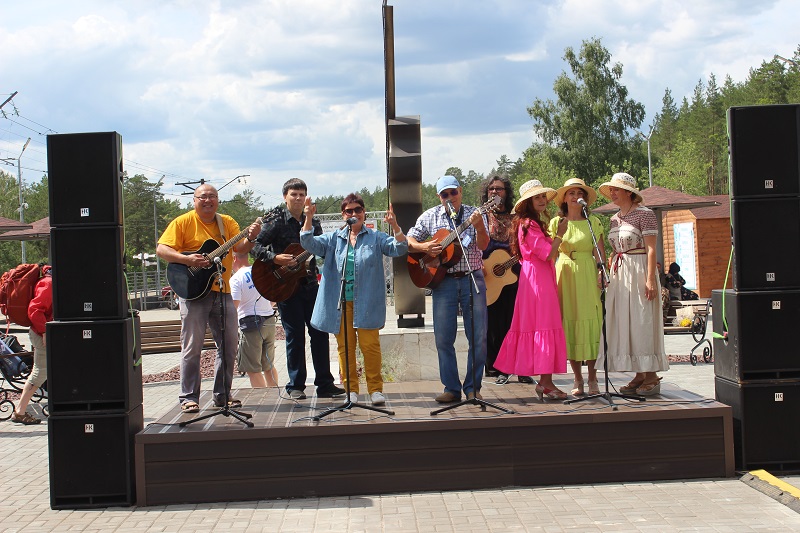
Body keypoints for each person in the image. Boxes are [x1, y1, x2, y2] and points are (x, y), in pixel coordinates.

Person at [156, 184, 262, 413]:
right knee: (192, 346)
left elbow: (240, 248)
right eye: (203, 196)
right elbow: (162, 249)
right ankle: (188, 397)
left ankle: (222, 395)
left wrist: (252, 237)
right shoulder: (183, 222)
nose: (208, 200)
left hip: (223, 291)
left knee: (230, 345)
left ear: (218, 200)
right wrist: (188, 260)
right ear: (194, 200)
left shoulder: (227, 222)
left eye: (212, 196)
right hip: (193, 292)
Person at [300, 193, 408, 405]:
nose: (354, 214)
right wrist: (308, 218)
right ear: (343, 215)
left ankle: (375, 390)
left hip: (367, 302)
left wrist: (395, 226)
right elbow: (308, 243)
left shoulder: (375, 237)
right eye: (349, 211)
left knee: (370, 347)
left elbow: (400, 248)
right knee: (345, 349)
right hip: (340, 303)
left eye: (358, 210)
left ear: (364, 212)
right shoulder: (334, 239)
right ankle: (351, 389)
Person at [251, 178, 345, 400]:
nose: (298, 198)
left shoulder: (313, 222)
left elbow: (320, 248)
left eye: (302, 194)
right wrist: (275, 258)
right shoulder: (275, 221)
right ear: (285, 197)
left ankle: (325, 384)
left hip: (310, 285)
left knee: (320, 333)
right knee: (295, 336)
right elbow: (255, 246)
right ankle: (296, 385)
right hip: (284, 287)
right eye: (294, 194)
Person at [407, 175, 490, 403]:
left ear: (460, 191)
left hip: (472, 278)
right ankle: (452, 389)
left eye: (453, 192)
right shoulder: (430, 216)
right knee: (443, 338)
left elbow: (483, 245)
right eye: (445, 194)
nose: (450, 197)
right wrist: (425, 246)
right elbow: (409, 242)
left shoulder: (476, 214)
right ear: (439, 197)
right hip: (443, 282)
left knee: (478, 336)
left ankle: (473, 388)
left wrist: (479, 227)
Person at [494, 180, 569, 400]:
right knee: (545, 325)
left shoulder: (529, 223)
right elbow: (547, 253)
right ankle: (546, 382)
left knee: (542, 326)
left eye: (543, 196)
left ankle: (546, 382)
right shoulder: (529, 224)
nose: (542, 200)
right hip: (538, 280)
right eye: (537, 197)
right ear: (528, 202)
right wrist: (560, 234)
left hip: (535, 277)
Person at [596, 172, 668, 395]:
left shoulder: (645, 214)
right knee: (626, 322)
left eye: (616, 189)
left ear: (628, 192)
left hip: (639, 270)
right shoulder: (615, 218)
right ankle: (639, 373)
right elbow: (616, 248)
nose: (612, 193)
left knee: (641, 320)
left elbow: (651, 249)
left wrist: (650, 279)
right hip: (621, 272)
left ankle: (651, 374)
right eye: (611, 190)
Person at [549, 178, 605, 397]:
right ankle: (577, 378)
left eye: (579, 193)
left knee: (591, 323)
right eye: (571, 193)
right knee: (570, 322)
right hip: (565, 272)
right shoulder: (556, 223)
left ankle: (592, 377)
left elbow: (600, 253)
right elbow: (550, 252)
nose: (575, 196)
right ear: (564, 198)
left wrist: (602, 272)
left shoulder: (593, 222)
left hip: (587, 272)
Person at [480, 174, 532, 384]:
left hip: (516, 275)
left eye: (499, 188)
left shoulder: (517, 218)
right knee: (494, 326)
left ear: (507, 193)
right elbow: (473, 243)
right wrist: (478, 263)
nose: (494, 192)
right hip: (490, 278)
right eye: (491, 189)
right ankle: (498, 368)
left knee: (517, 324)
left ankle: (521, 368)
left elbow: (525, 244)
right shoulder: (482, 217)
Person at [230, 251, 279, 388]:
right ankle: (275, 394)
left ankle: (262, 397)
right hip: (269, 321)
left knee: (253, 368)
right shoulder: (261, 272)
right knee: (268, 365)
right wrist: (265, 307)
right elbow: (275, 296)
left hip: (250, 324)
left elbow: (233, 307)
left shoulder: (236, 279)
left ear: (234, 258)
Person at [11, 265, 52, 424]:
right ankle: (20, 412)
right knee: (40, 372)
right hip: (41, 335)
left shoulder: (49, 281)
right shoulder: (49, 283)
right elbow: (35, 310)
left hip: (43, 333)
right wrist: (44, 331)